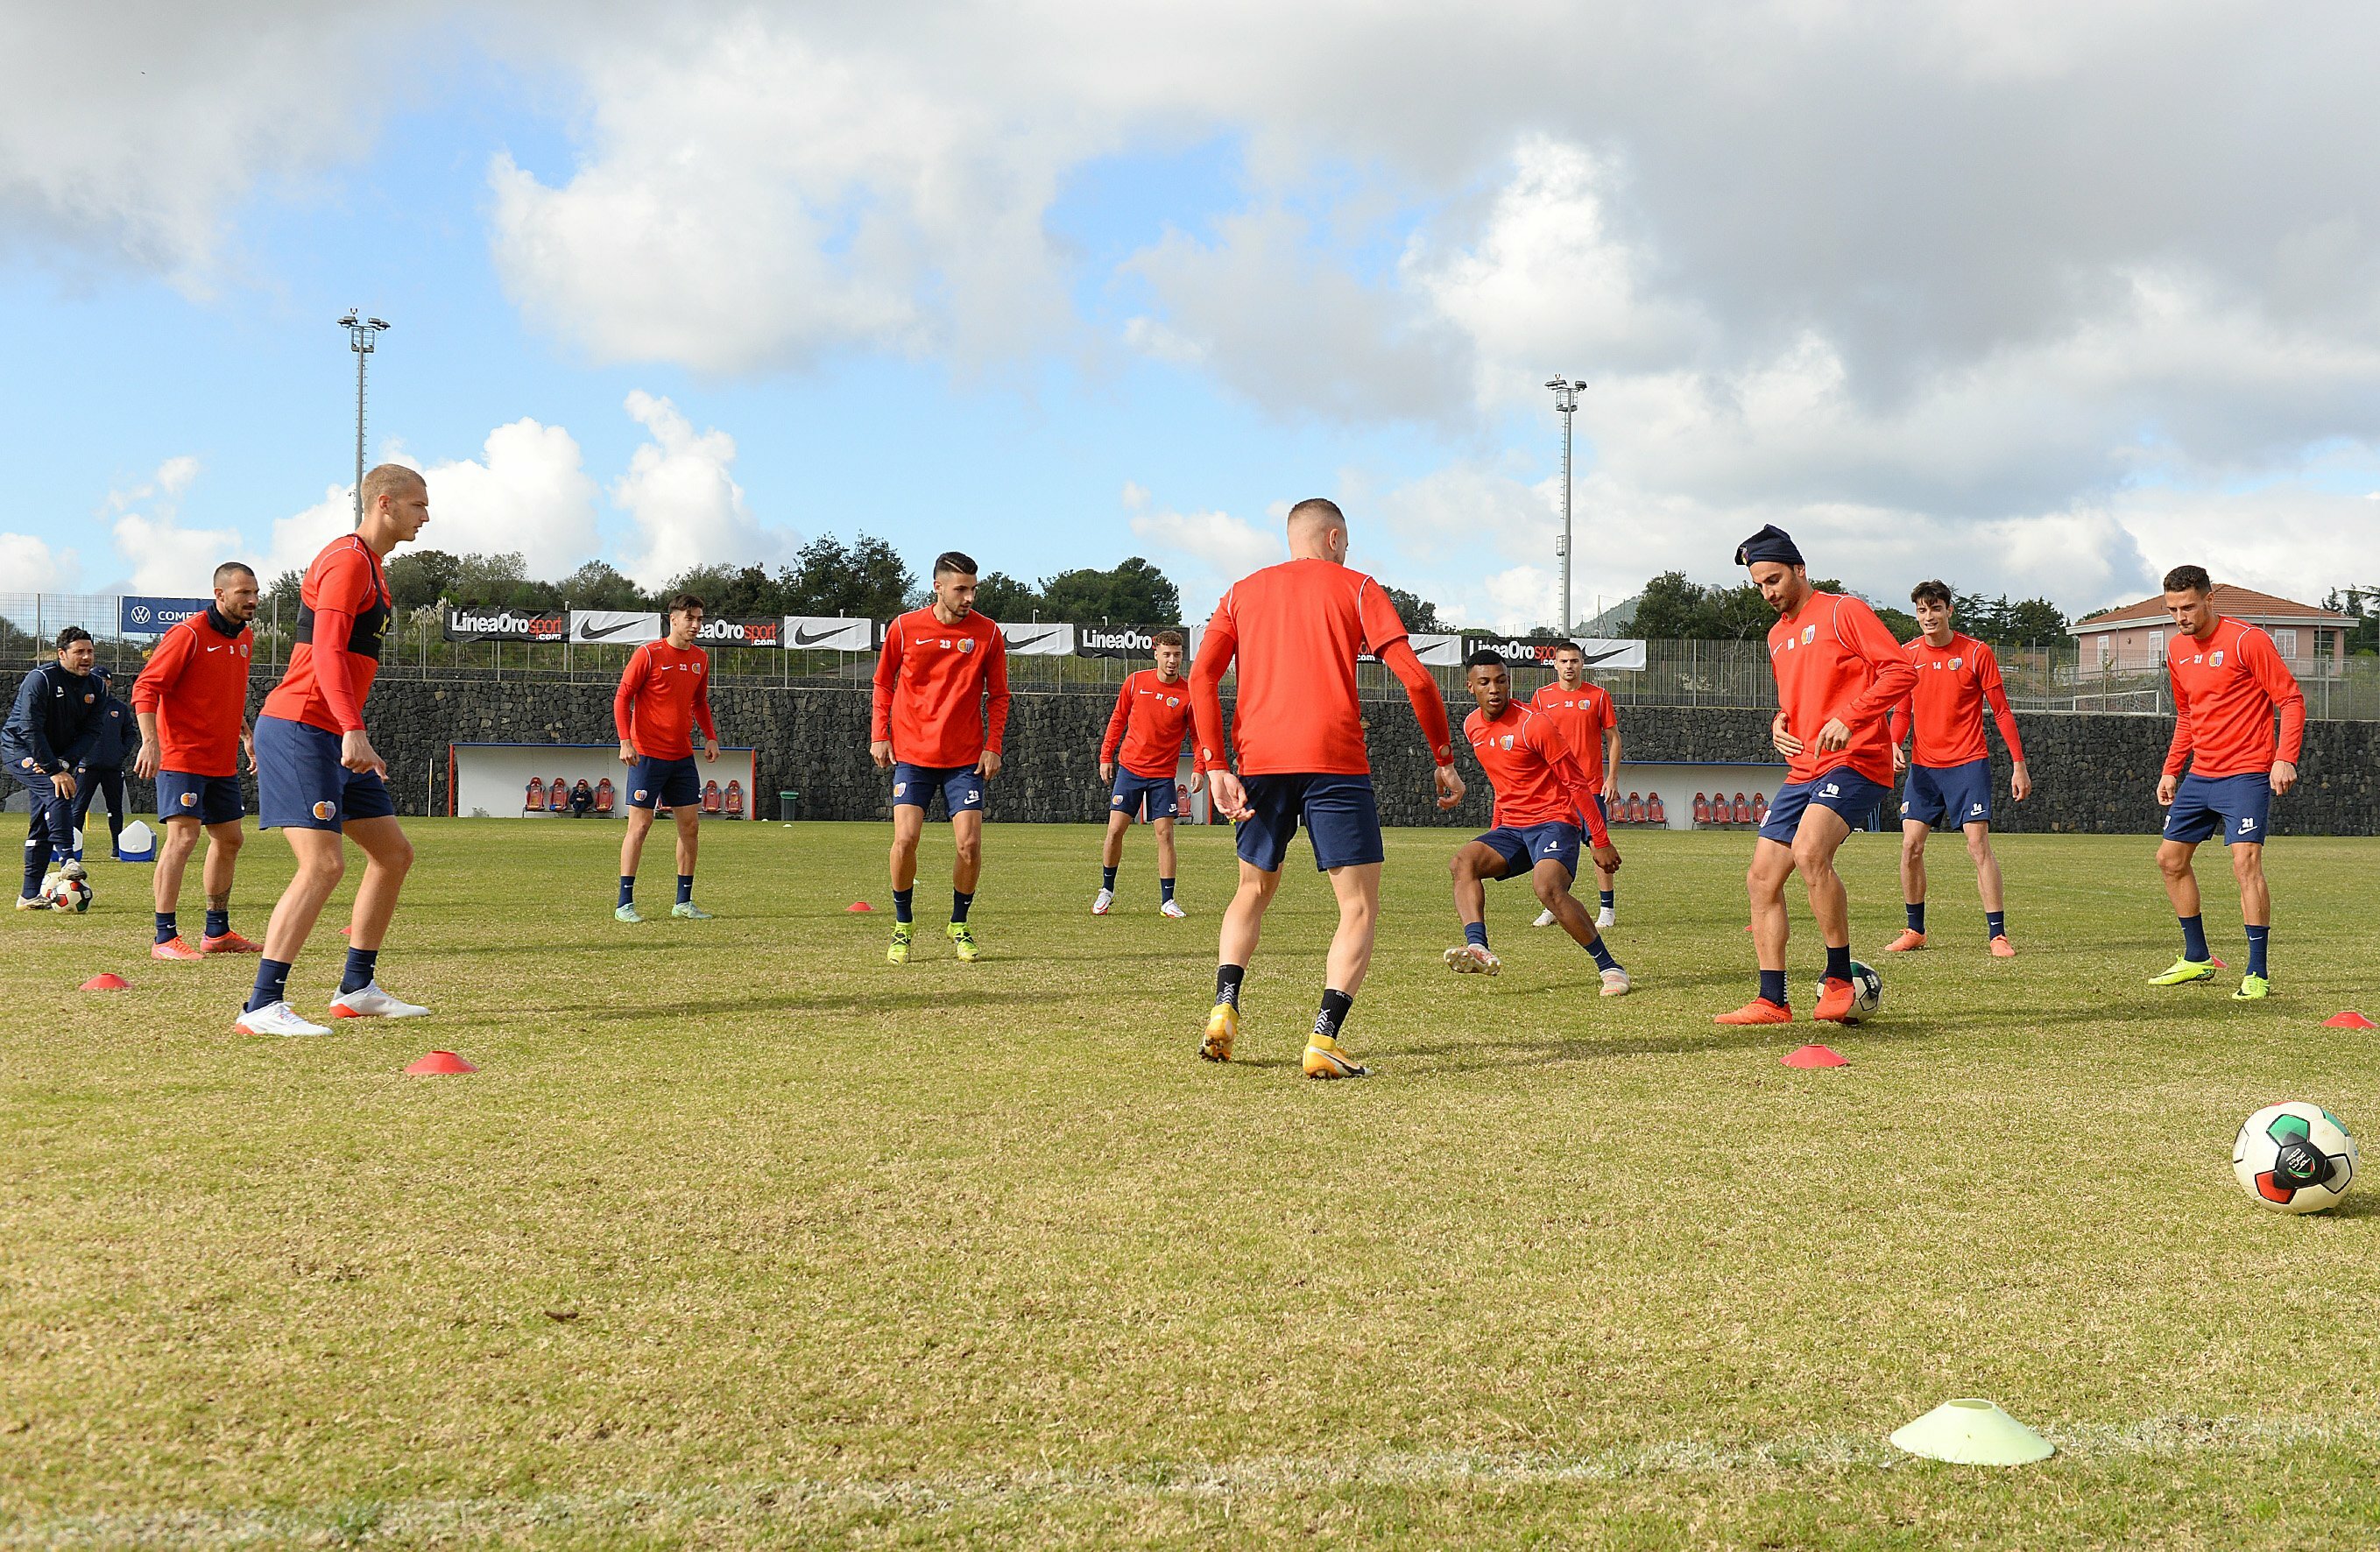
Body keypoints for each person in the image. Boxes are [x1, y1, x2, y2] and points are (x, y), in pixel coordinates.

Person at [1190, 497, 1462, 1079]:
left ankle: (1223, 1007)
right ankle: (1322, 1039)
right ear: (1334, 538)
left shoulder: (1240, 591)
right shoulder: (1358, 587)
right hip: (1333, 760)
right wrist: (1442, 756)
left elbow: (1201, 677)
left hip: (1258, 762)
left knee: (1251, 892)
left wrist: (1214, 763)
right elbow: (1414, 678)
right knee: (1357, 906)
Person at [237, 463, 432, 1036]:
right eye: (420, 505)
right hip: (301, 728)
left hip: (333, 733)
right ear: (386, 503)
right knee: (323, 865)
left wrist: (350, 732)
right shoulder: (348, 560)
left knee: (393, 855)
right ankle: (261, 1005)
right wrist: (353, 728)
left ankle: (357, 988)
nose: (427, 516)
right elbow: (324, 651)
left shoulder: (373, 569)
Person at [1719, 524, 1917, 1026]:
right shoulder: (1775, 635)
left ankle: (1838, 979)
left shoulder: (1842, 611)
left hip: (1857, 760)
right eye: (1760, 584)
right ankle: (1772, 1000)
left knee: (1810, 852)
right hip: (1803, 767)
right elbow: (1795, 702)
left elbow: (1899, 671)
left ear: (1800, 569)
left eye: (1774, 579)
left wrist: (1849, 718)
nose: (1768, 592)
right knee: (1761, 879)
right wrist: (1779, 724)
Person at [2149, 564, 2305, 999]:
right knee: (2169, 860)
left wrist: (2284, 758)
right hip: (2201, 774)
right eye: (2173, 609)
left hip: (2248, 773)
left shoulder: (2246, 640)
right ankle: (2197, 958)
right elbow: (2186, 715)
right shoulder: (2177, 650)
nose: (2181, 616)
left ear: (2209, 599)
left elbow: (2290, 700)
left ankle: (2257, 972)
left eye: (2188, 607)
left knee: (2244, 863)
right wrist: (2170, 768)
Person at [1444, 650, 1628, 993]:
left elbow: (1577, 783)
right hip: (1513, 828)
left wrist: (1600, 840)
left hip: (1555, 822)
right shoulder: (1472, 726)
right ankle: (1478, 947)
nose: (1495, 689)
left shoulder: (1534, 723)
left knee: (1547, 888)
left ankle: (1610, 967)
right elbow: (1502, 782)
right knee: (1462, 863)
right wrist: (1496, 826)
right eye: (1484, 682)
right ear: (1471, 687)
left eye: (1501, 680)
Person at [871, 552, 1010, 963]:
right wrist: (881, 735)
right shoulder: (905, 627)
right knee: (905, 840)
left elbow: (999, 696)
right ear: (938, 587)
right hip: (913, 755)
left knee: (969, 845)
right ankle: (902, 926)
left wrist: (994, 745)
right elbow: (882, 685)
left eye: (973, 589)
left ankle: (959, 924)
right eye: (960, 589)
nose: (969, 597)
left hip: (964, 758)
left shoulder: (987, 633)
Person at [1882, 580, 2032, 957]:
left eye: (1935, 608)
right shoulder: (1907, 655)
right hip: (1924, 769)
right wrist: (1893, 743)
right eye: (1921, 610)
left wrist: (2019, 765)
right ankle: (1914, 930)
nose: (1928, 617)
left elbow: (2001, 711)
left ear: (1949, 610)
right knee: (1910, 846)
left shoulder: (1976, 652)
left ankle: (1997, 934)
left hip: (1968, 765)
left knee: (1977, 846)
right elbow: (1902, 710)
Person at [131, 561, 261, 959]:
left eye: (255, 593)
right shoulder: (187, 634)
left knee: (230, 838)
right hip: (182, 756)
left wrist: (246, 735)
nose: (252, 600)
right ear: (219, 594)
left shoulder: (246, 638)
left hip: (220, 760)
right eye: (244, 593)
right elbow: (146, 688)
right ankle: (164, 938)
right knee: (184, 838)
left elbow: (224, 692)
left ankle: (217, 932)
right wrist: (150, 742)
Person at [612, 594, 720, 922]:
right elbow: (623, 697)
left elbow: (699, 702)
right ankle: (624, 904)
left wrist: (711, 737)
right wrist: (625, 741)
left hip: (682, 756)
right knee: (640, 826)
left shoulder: (701, 658)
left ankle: (683, 902)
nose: (696, 625)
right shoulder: (648, 653)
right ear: (673, 619)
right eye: (690, 618)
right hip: (646, 754)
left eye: (700, 619)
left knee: (690, 827)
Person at [1094, 628, 1204, 918]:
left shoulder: (1188, 692)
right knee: (1116, 830)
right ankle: (1106, 890)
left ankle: (1167, 900)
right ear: (1156, 653)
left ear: (1183, 657)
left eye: (1177, 655)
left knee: (1165, 834)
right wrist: (1106, 756)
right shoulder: (1135, 682)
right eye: (1166, 654)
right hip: (1130, 770)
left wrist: (1199, 767)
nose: (1172, 660)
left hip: (1162, 776)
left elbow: (1198, 735)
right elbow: (1118, 720)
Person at [5, 627, 105, 910]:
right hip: (20, 748)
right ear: (61, 654)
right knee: (55, 788)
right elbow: (29, 728)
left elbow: (92, 731)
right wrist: (53, 769)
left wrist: (66, 763)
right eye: (79, 652)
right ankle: (68, 859)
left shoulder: (96, 687)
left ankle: (28, 895)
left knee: (40, 824)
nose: (87, 657)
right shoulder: (42, 679)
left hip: (56, 756)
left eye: (90, 652)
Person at [1527, 639, 1623, 929]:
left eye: (1575, 661)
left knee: (1598, 845)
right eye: (1564, 661)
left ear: (1582, 664)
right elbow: (1532, 741)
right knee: (1551, 848)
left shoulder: (1598, 696)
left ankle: (1607, 909)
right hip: (1554, 790)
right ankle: (1553, 905)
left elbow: (1614, 738)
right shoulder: (1541, 698)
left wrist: (1612, 777)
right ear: (1555, 665)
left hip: (1590, 787)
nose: (1570, 666)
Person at [60, 676, 132, 861]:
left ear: (109, 682)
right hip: (87, 767)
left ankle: (118, 849)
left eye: (102, 679)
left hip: (112, 768)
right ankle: (73, 850)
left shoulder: (119, 708)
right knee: (78, 808)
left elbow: (130, 734)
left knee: (115, 809)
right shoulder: (83, 705)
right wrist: (78, 755)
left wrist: (120, 753)